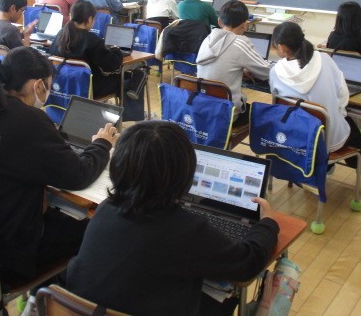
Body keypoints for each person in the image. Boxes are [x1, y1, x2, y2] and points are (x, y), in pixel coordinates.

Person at [67, 121, 279, 316]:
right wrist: (268, 223)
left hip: (78, 309)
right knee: (223, 301)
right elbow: (248, 263)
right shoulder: (187, 231)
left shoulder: (106, 207)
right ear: (185, 175)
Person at [0, 46, 117, 284]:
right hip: (6, 255)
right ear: (38, 86)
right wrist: (102, 144)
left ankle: (45, 291)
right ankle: (57, 295)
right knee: (96, 229)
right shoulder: (28, 120)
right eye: (48, 85)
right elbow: (78, 175)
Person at [269, 21, 361, 173]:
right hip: (327, 137)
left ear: (282, 48)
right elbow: (343, 94)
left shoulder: (275, 72)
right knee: (347, 123)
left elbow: (277, 103)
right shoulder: (324, 59)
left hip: (294, 136)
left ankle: (325, 167)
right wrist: (338, 112)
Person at [49, 0, 144, 120]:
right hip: (89, 87)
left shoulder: (61, 35)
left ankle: (107, 114)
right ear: (89, 19)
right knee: (130, 77)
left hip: (64, 84)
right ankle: (130, 117)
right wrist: (117, 50)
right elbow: (112, 65)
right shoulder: (92, 40)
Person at [196, 0, 271, 124]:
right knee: (262, 116)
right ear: (245, 25)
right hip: (227, 113)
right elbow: (266, 72)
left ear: (219, 21)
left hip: (203, 107)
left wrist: (240, 69)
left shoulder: (207, 39)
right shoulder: (240, 42)